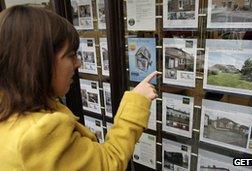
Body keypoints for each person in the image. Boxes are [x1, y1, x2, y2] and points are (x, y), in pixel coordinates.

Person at [0, 5, 159, 170]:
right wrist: (137, 101)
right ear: (38, 63)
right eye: (70, 55)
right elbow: (110, 162)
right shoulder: (39, 133)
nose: (78, 63)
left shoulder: (10, 114)